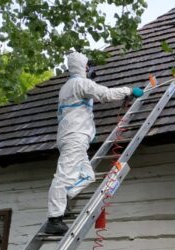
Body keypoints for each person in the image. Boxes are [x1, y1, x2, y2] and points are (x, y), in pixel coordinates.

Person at [45, 52, 144, 235]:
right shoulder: (81, 84)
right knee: (64, 176)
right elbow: (105, 94)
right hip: (75, 135)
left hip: (73, 136)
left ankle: (64, 198)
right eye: (88, 66)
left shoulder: (66, 87)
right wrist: (129, 91)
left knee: (88, 175)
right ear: (83, 67)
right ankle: (54, 218)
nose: (90, 70)